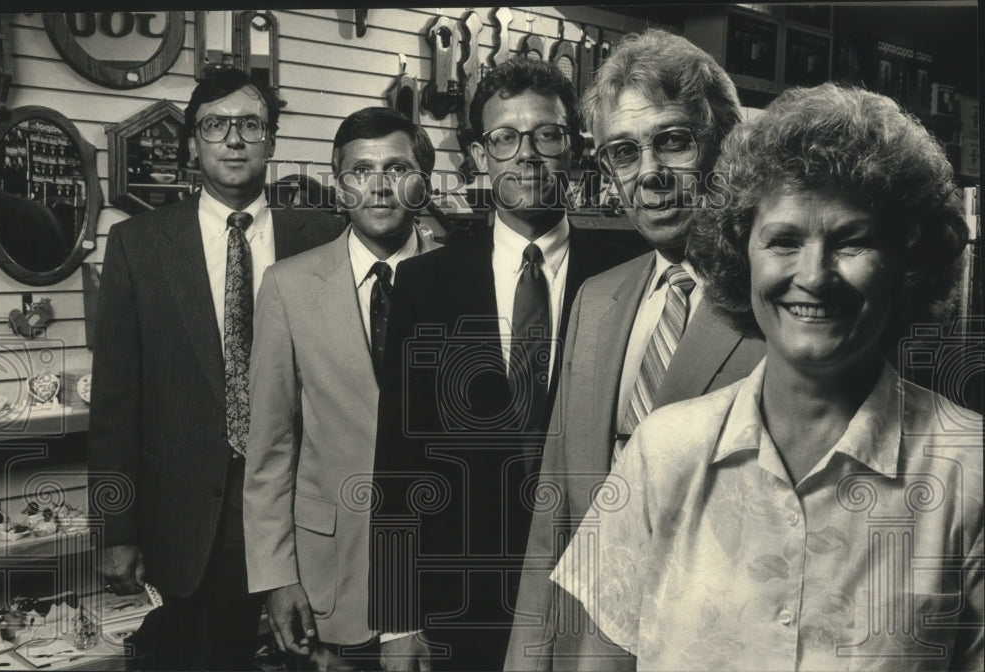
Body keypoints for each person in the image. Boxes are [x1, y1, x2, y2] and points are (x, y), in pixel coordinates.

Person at [551, 83, 982, 671]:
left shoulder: (970, 470)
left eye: (853, 241)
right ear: (738, 254)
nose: (814, 276)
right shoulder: (663, 450)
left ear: (907, 262)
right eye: (783, 240)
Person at [506, 28, 765, 671]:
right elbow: (555, 506)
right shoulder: (597, 299)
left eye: (672, 141)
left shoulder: (778, 309)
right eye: (623, 152)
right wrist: (528, 656)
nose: (647, 174)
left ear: (726, 145)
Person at [368, 57, 630, 671]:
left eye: (548, 134)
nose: (528, 155)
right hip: (462, 596)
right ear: (480, 157)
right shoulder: (426, 283)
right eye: (505, 138)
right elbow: (398, 460)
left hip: (595, 590)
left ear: (574, 149)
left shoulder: (628, 271)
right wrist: (396, 617)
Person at [88, 67, 343, 671]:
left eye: (250, 124)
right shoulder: (138, 245)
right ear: (193, 143)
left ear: (271, 141)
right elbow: (116, 401)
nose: (233, 138)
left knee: (312, 658)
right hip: (190, 516)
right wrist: (117, 529)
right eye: (215, 126)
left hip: (301, 503)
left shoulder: (322, 238)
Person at [243, 107, 440, 672]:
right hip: (330, 572)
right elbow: (270, 450)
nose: (378, 185)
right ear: (339, 183)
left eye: (396, 167)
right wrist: (276, 576)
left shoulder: (462, 279)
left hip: (438, 568)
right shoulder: (288, 286)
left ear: (422, 179)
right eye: (360, 170)